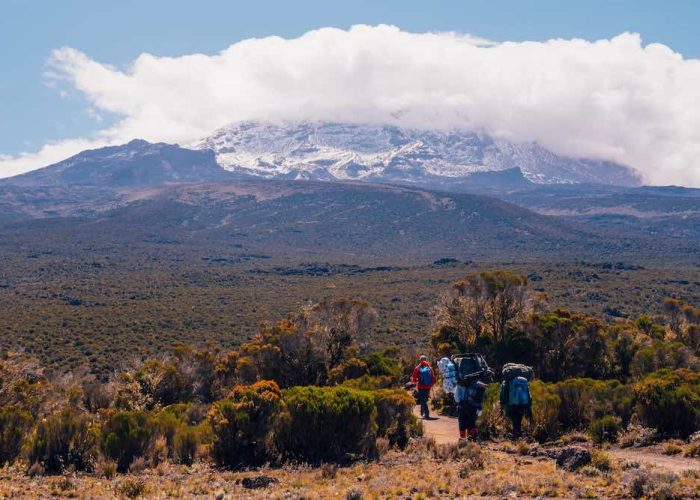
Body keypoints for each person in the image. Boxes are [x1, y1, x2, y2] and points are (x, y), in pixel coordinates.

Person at [500, 369, 532, 439]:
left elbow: (502, 394)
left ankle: (517, 436)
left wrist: (502, 404)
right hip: (523, 404)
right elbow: (529, 393)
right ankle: (519, 435)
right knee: (519, 419)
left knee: (514, 420)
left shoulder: (506, 382)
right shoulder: (524, 381)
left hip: (512, 404)